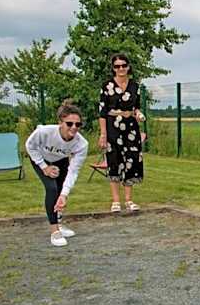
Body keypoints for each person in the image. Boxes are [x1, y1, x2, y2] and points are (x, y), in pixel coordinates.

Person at [25, 100, 89, 247]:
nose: (74, 128)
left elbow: (73, 171)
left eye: (78, 125)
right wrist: (44, 166)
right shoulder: (44, 132)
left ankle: (59, 223)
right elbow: (30, 146)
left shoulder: (82, 144)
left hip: (60, 160)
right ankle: (54, 230)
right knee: (52, 188)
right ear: (61, 122)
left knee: (60, 191)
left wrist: (64, 195)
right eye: (69, 124)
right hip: (40, 158)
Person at [98, 53, 144, 212]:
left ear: (128, 66)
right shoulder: (107, 86)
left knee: (131, 160)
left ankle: (129, 200)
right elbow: (102, 112)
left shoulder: (135, 86)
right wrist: (103, 134)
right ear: (113, 68)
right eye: (117, 66)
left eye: (123, 65)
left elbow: (136, 106)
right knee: (114, 161)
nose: (121, 68)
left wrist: (137, 114)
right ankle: (116, 201)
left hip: (131, 128)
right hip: (112, 128)